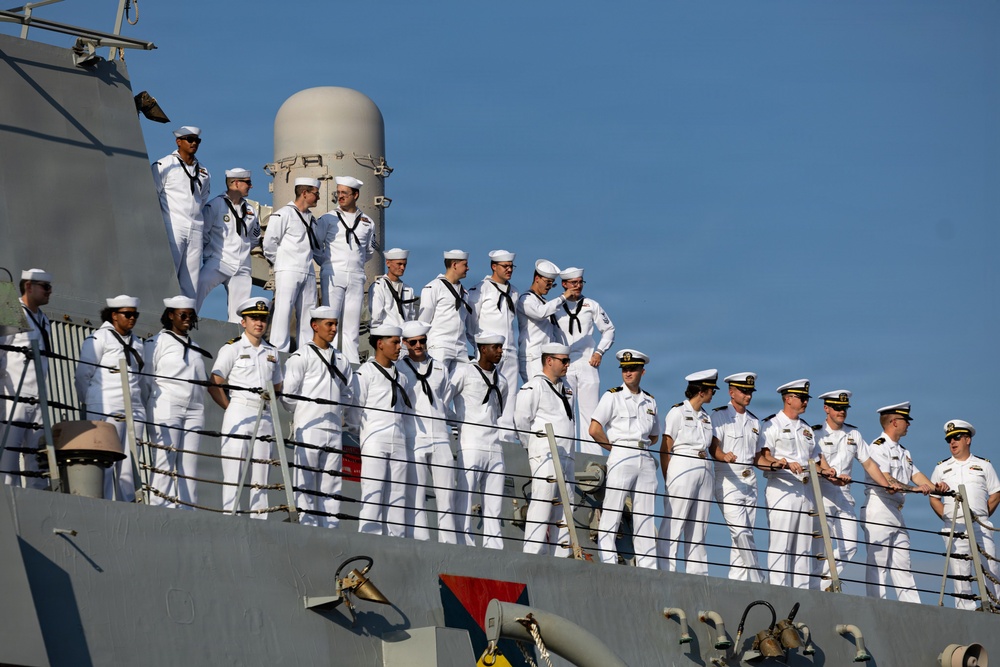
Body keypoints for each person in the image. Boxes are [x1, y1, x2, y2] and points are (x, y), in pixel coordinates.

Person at [755, 379, 837, 589]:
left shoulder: (806, 429)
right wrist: (779, 463)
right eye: (802, 398)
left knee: (803, 546)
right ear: (788, 398)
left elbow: (815, 462)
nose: (806, 402)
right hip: (783, 489)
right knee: (781, 544)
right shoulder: (772, 424)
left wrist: (827, 472)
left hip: (806, 490)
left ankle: (801, 593)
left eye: (806, 398)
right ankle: (779, 591)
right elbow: (762, 458)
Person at [280, 294, 353, 528]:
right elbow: (288, 396)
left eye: (335, 324)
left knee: (332, 485)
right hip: (309, 427)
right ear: (315, 326)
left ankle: (331, 528)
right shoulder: (301, 357)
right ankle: (307, 526)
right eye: (329, 324)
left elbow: (348, 394)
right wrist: (307, 412)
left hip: (333, 427)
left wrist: (336, 411)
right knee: (306, 482)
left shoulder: (341, 359)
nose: (334, 329)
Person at [862, 402, 944, 602]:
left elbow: (916, 476)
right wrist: (914, 489)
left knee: (903, 564)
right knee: (878, 563)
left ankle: (913, 608)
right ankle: (876, 605)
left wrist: (937, 488)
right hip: (879, 507)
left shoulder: (904, 452)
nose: (909, 424)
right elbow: (886, 479)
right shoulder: (877, 447)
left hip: (896, 511)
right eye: (906, 420)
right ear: (894, 422)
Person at [208, 298, 283, 518]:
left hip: (264, 415)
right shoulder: (232, 348)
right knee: (234, 474)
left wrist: (268, 404)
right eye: (254, 319)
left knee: (262, 477)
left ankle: (260, 521)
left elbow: (278, 386)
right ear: (244, 322)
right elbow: (214, 383)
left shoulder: (272, 352)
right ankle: (230, 520)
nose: (259, 323)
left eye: (263, 319)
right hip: (239, 411)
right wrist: (230, 407)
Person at [813, 390, 893, 582]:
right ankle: (817, 585)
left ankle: (821, 583)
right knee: (820, 548)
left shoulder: (853, 434)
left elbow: (869, 463)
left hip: (844, 495)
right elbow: (813, 463)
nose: (842, 412)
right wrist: (829, 474)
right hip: (821, 494)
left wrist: (886, 485)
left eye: (844, 408)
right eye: (837, 408)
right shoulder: (815, 433)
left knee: (849, 546)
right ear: (826, 409)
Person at [590, 349, 659, 568]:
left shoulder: (650, 401)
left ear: (642, 371)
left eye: (633, 369)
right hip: (621, 453)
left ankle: (648, 566)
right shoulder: (612, 396)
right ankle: (608, 561)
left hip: (645, 456)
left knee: (645, 514)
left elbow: (655, 435)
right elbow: (594, 429)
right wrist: (614, 447)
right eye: (625, 369)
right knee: (613, 510)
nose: (628, 373)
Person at [74, 295, 146, 501]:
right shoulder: (99, 338)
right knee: (104, 460)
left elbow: (140, 378)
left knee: (130, 465)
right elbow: (83, 375)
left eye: (135, 315)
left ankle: (127, 505)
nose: (132, 319)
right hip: (105, 405)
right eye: (128, 314)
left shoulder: (137, 343)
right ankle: (103, 504)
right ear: (114, 315)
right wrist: (91, 403)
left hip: (133, 408)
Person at [141, 296, 210, 509]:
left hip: (194, 409)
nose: (188, 318)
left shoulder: (195, 346)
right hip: (167, 403)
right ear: (171, 315)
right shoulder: (156, 343)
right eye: (183, 314)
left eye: (191, 315)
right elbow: (145, 378)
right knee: (165, 459)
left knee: (189, 465)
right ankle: (159, 508)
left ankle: (188, 510)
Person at [349, 324, 412, 537]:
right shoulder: (365, 373)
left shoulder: (402, 377)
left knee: (398, 496)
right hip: (375, 440)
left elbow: (404, 411)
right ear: (380, 344)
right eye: (395, 342)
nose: (399, 347)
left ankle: (397, 539)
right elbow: (355, 411)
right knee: (373, 492)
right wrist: (364, 435)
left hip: (398, 440)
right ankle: (369, 537)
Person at [930, 419, 1000, 610]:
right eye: (949, 439)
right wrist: (948, 517)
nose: (952, 442)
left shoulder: (983, 465)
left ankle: (995, 607)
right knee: (960, 571)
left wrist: (981, 517)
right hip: (955, 526)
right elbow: (934, 498)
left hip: (980, 524)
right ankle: (966, 611)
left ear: (967, 440)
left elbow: (996, 493)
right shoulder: (941, 468)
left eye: (957, 437)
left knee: (991, 567)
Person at [515, 343, 577, 556]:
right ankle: (533, 552)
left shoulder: (567, 388)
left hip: (567, 454)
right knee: (542, 502)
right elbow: (521, 420)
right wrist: (532, 446)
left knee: (566, 507)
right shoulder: (534, 386)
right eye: (564, 361)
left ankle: (561, 555)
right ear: (549, 360)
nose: (567, 365)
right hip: (545, 454)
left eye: (568, 361)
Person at [398, 320, 457, 542]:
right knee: (416, 493)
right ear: (405, 343)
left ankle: (449, 541)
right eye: (413, 342)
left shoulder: (440, 368)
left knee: (447, 493)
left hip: (440, 436)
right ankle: (420, 540)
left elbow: (445, 399)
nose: (418, 346)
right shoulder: (399, 369)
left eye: (422, 341)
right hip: (414, 435)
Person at [451, 332, 509, 549]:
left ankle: (494, 546)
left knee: (494, 504)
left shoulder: (502, 381)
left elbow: (498, 412)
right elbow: (443, 398)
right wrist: (457, 421)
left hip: (494, 445)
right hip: (470, 443)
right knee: (464, 499)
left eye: (501, 347)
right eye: (496, 347)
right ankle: (463, 544)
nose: (500, 352)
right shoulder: (464, 372)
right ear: (483, 349)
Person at [658, 369, 718, 574]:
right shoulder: (678, 412)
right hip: (682, 464)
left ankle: (697, 573)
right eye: (711, 391)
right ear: (701, 392)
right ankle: (666, 569)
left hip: (704, 467)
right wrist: (668, 477)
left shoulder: (706, 417)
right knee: (675, 521)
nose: (713, 394)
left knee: (699, 525)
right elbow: (665, 447)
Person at [709, 372, 764, 583]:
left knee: (742, 535)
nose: (748, 395)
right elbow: (713, 447)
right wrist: (723, 456)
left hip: (750, 481)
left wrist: (775, 464)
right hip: (728, 479)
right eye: (743, 391)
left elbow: (758, 457)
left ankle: (737, 582)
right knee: (741, 532)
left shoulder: (754, 421)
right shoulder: (719, 416)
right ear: (732, 392)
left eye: (750, 391)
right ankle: (758, 578)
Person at [0, 268, 53, 488]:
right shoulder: (12, 311)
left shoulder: (44, 320)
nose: (49, 291)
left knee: (38, 457)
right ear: (29, 287)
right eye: (45, 287)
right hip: (14, 395)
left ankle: (38, 498)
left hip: (38, 397)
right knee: (8, 456)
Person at [556, 267, 615, 455]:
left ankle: (592, 457)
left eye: (581, 282)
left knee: (590, 412)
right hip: (564, 363)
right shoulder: (555, 306)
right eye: (574, 283)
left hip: (587, 362)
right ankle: (567, 455)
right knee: (566, 411)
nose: (578, 286)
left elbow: (609, 329)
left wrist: (599, 352)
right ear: (564, 284)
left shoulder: (591, 305)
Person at [318, 175, 376, 364]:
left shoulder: (367, 222)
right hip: (333, 274)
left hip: (356, 276)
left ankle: (352, 364)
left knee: (352, 326)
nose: (340, 196)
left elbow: (368, 252)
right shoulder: (328, 219)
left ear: (355, 195)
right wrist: (326, 264)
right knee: (330, 321)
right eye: (338, 193)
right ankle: (329, 360)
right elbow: (316, 245)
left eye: (345, 193)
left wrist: (355, 265)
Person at [263, 177, 324, 352]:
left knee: (307, 315)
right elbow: (269, 244)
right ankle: (279, 350)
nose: (318, 197)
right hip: (288, 270)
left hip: (308, 271)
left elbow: (317, 249)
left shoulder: (312, 219)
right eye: (316, 193)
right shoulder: (284, 214)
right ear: (304, 193)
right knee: (283, 311)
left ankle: (306, 352)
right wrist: (282, 263)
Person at [151, 126, 211, 299]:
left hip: (196, 228)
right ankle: (163, 309)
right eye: (189, 140)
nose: (194, 143)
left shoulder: (204, 171)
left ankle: (187, 313)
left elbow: (202, 198)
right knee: (169, 272)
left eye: (197, 140)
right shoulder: (164, 165)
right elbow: (153, 195)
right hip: (173, 224)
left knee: (191, 280)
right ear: (179, 142)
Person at [196, 168, 261, 322]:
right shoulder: (215, 206)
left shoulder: (251, 210)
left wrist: (243, 252)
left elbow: (254, 238)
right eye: (248, 182)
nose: (251, 186)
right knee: (197, 288)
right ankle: (185, 322)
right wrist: (210, 254)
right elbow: (203, 234)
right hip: (218, 262)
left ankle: (236, 336)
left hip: (242, 267)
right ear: (236, 183)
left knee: (239, 314)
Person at [468, 250, 519, 436]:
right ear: (494, 266)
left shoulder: (514, 292)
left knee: (509, 395)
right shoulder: (480, 289)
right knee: (484, 392)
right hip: (487, 349)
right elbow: (471, 323)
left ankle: (506, 438)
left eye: (511, 266)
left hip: (509, 350)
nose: (509, 269)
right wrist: (480, 344)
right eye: (505, 266)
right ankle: (483, 433)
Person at [516, 259, 578, 383]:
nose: (549, 287)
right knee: (536, 390)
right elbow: (540, 313)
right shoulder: (526, 299)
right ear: (537, 278)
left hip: (546, 356)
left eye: (552, 284)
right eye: (548, 282)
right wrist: (563, 297)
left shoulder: (544, 302)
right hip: (532, 357)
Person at [418, 250, 474, 373]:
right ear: (454, 265)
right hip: (440, 345)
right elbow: (423, 320)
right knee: (437, 381)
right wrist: (421, 345)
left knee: (464, 383)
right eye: (465, 264)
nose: (468, 268)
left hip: (460, 347)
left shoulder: (465, 292)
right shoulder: (434, 287)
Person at [369, 248, 418, 330]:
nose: (402, 268)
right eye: (399, 264)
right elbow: (376, 316)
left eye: (404, 264)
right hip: (387, 333)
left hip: (404, 334)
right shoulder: (379, 286)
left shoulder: (409, 289)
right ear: (388, 263)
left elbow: (411, 317)